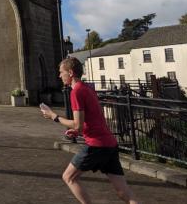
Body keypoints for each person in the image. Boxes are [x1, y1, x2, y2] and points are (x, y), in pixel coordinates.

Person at [40, 57, 140, 204]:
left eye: (61, 72)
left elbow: (77, 124)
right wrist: (78, 131)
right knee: (124, 193)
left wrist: (53, 116)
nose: (59, 76)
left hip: (96, 145)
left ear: (71, 72)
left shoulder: (76, 92)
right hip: (109, 144)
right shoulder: (87, 88)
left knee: (69, 177)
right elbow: (91, 120)